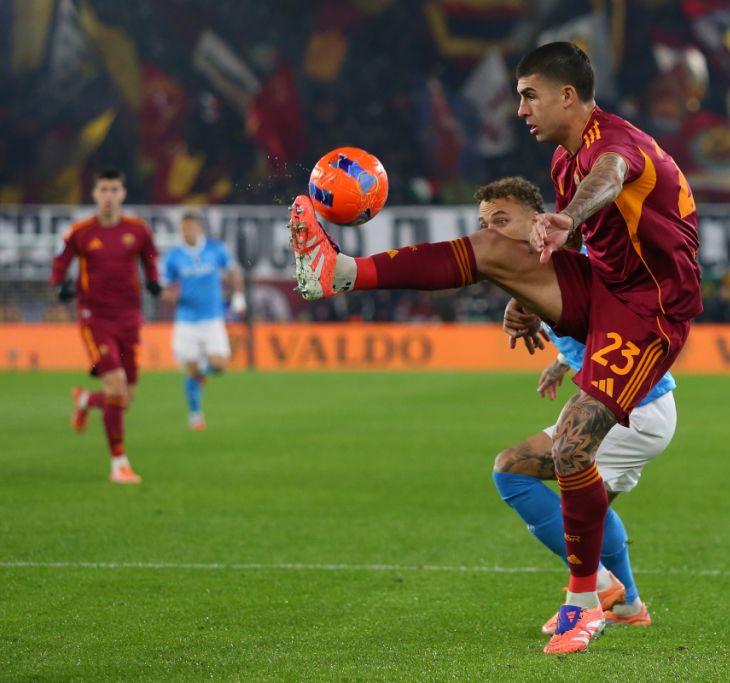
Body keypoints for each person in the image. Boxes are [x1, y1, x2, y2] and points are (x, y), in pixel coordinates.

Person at [287, 41, 701, 654]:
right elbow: (589, 244)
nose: (520, 110)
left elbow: (610, 178)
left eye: (530, 96)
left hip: (651, 309)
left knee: (572, 446)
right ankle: (340, 272)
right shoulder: (564, 159)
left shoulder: (615, 145)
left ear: (568, 96)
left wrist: (566, 218)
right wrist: (530, 292)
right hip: (607, 286)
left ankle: (586, 604)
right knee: (490, 248)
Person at [475, 177, 677, 632]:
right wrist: (562, 361)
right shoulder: (538, 270)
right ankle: (628, 605)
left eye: (502, 220)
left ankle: (598, 585)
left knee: (511, 471)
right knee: (593, 512)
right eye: (485, 225)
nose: (491, 232)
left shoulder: (578, 258)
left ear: (537, 220)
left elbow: (613, 309)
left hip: (632, 409)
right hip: (646, 406)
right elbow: (589, 321)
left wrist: (527, 304)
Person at [52, 167, 161, 484]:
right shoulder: (80, 232)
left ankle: (85, 400)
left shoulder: (138, 230)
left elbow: (149, 258)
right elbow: (60, 263)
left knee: (125, 399)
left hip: (130, 318)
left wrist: (153, 280)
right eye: (103, 190)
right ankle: (119, 465)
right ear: (95, 194)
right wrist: (60, 285)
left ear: (123, 193)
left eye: (114, 189)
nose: (109, 196)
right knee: (115, 387)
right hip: (95, 318)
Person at [161, 211, 246, 430]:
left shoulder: (215, 250)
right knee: (190, 369)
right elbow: (164, 288)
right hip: (186, 321)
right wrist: (171, 295)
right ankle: (195, 415)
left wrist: (238, 296)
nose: (186, 231)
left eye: (190, 227)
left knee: (219, 365)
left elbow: (233, 272)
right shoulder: (173, 257)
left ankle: (201, 371)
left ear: (199, 227)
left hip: (212, 319)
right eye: (183, 228)